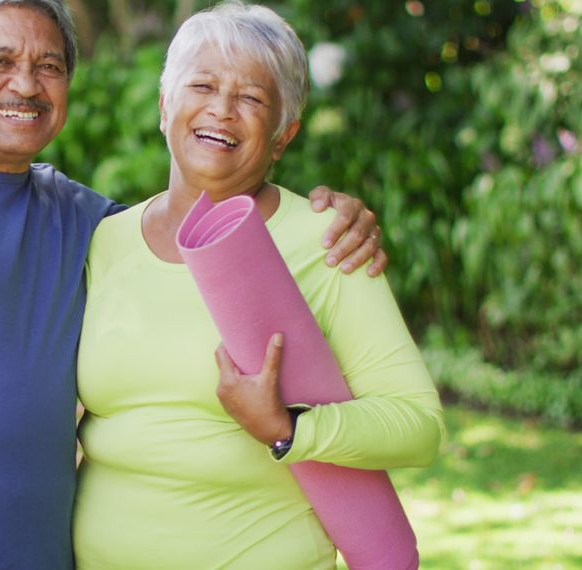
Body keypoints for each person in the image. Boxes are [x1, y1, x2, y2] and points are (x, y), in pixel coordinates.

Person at [0, 1, 388, 568]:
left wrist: (334, 216)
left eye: (49, 66)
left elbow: (199, 229)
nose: (25, 85)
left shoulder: (88, 221)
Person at [73, 2, 445, 568]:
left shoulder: (328, 239)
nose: (221, 109)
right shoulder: (105, 241)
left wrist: (288, 428)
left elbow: (419, 427)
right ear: (164, 104)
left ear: (282, 136)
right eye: (201, 85)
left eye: (251, 98)